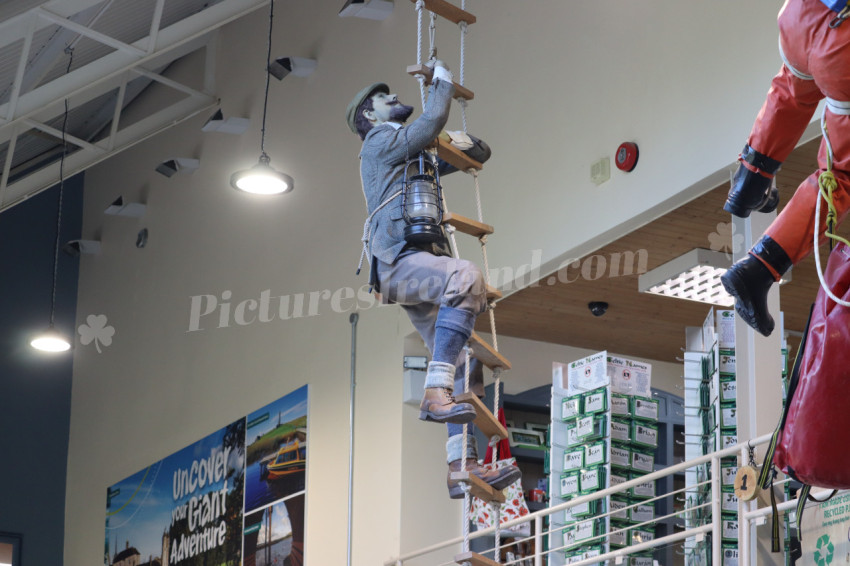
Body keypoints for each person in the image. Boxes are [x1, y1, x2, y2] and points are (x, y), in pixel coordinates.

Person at [345, 60, 520, 498]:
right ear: (369, 116)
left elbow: (475, 155)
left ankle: (461, 467)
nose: (393, 97)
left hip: (417, 261)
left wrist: (464, 143)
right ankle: (434, 391)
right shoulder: (380, 143)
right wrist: (441, 79)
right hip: (398, 260)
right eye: (383, 97)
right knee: (465, 276)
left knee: (464, 359)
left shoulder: (410, 155)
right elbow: (431, 120)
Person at [721, 0, 850, 336]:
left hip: (801, 16)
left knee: (793, 88)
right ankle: (757, 271)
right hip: (843, 47)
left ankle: (748, 184)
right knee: (842, 175)